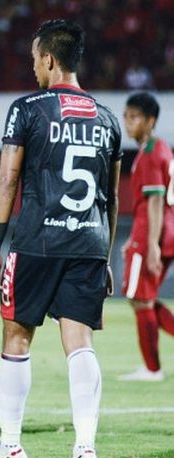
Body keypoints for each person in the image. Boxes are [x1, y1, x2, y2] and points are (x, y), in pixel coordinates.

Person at [0, 20, 122, 458]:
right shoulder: (108, 118)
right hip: (89, 243)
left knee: (16, 337)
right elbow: (112, 197)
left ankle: (11, 446)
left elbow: (8, 179)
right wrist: (104, 255)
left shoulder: (28, 108)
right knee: (80, 342)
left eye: (33, 60)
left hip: (37, 241)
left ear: (48, 59)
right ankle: (85, 450)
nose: (32, 68)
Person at [119, 92, 174, 382]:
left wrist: (150, 242)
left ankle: (152, 369)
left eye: (135, 117)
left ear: (150, 121)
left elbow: (155, 201)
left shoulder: (152, 152)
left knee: (140, 298)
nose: (128, 123)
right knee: (143, 298)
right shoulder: (159, 149)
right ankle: (151, 367)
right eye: (126, 116)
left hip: (155, 233)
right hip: (159, 231)